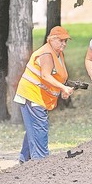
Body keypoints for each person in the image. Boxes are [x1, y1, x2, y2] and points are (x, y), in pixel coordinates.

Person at [14, 26, 74, 163]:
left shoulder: (58, 54)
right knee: (39, 127)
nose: (64, 44)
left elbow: (57, 78)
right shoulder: (46, 54)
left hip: (39, 95)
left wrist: (62, 90)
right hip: (32, 94)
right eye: (61, 40)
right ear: (51, 40)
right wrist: (63, 88)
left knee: (33, 127)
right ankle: (40, 161)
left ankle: (25, 159)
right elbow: (46, 76)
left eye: (66, 41)